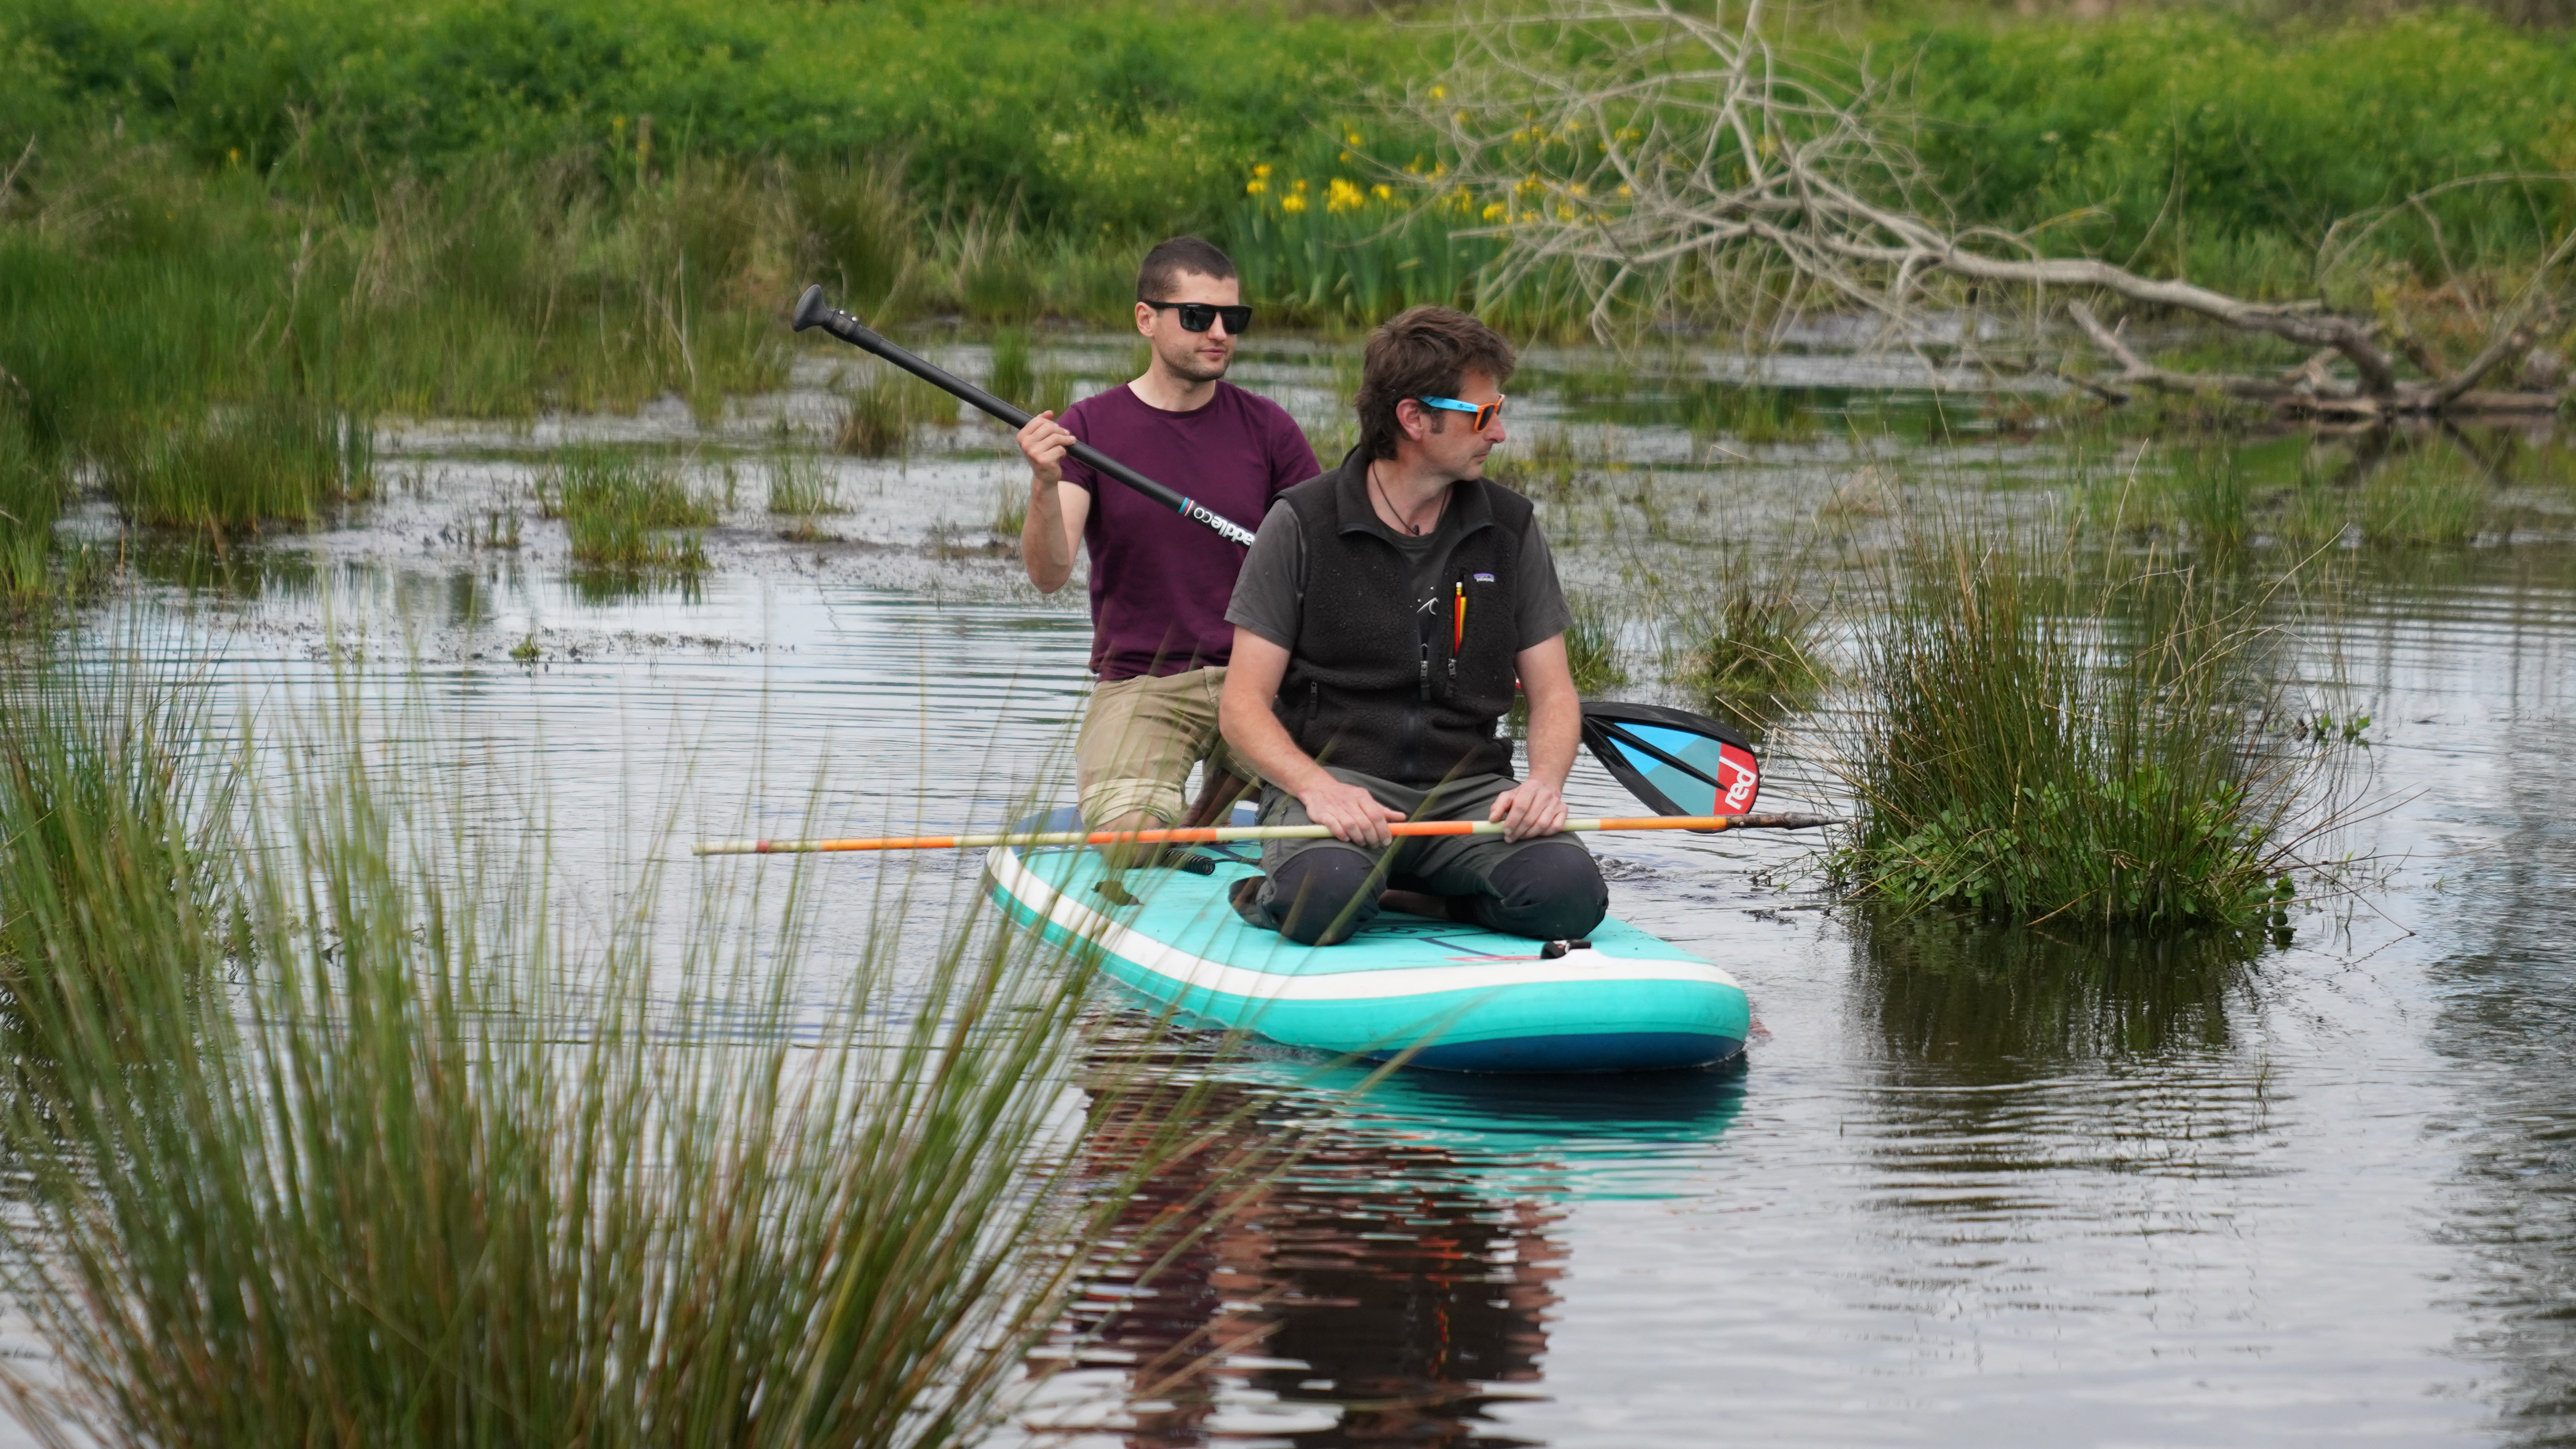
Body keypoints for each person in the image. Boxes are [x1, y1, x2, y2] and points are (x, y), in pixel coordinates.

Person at [1216, 305, 1607, 946]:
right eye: (1483, 415)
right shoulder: (1299, 524)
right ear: (1413, 418)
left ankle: (1416, 898)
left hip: (1470, 797)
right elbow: (1241, 706)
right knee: (1323, 902)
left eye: (1499, 410)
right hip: (1338, 789)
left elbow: (1555, 693)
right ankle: (1283, 892)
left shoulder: (1510, 527)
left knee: (1568, 897)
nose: (1500, 433)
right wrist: (1317, 788)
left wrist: (1542, 785)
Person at [1014, 237, 1318, 878]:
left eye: (1232, 320)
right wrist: (1044, 484)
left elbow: (1324, 566)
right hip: (1143, 683)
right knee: (1130, 845)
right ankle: (1177, 819)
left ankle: (1215, 807)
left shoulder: (1269, 429)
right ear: (1145, 319)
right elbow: (1047, 573)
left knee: (1365, 822)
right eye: (1197, 317)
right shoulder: (1089, 429)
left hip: (1262, 680)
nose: (1219, 334)